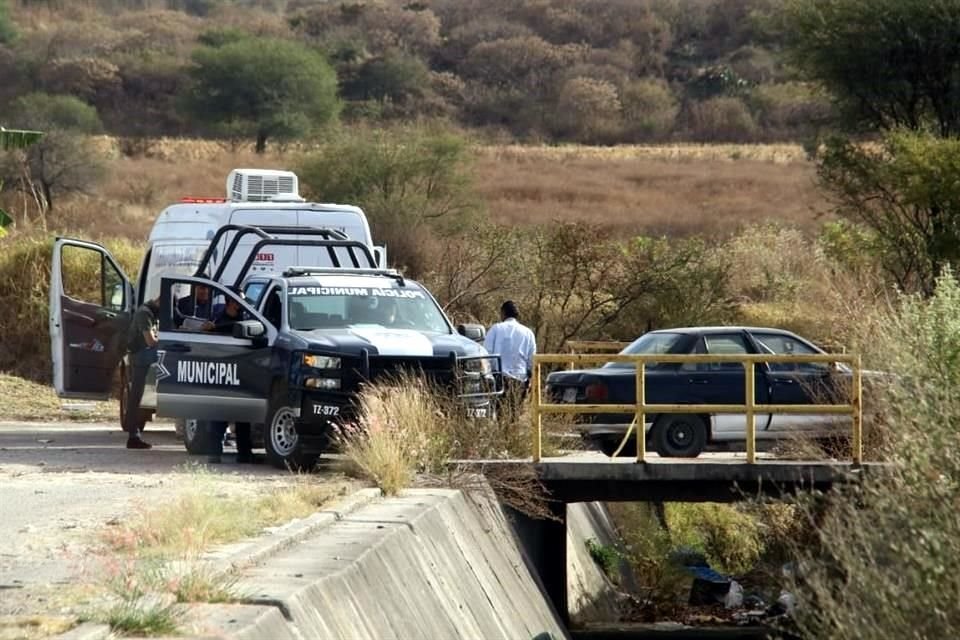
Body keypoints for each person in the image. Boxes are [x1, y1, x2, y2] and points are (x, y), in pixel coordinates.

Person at [204, 295, 254, 464]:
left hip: (241, 371)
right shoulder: (217, 318)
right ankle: (214, 453)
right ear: (230, 302)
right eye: (239, 301)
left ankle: (244, 454)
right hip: (221, 371)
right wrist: (208, 328)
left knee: (243, 416)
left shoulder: (246, 319)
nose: (242, 305)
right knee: (218, 414)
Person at [484, 300, 537, 422]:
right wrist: (529, 377)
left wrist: (489, 375)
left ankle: (503, 435)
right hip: (520, 379)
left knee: (499, 414)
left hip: (500, 378)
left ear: (503, 313)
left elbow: (487, 354)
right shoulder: (528, 333)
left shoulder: (496, 329)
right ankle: (511, 436)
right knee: (515, 414)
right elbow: (531, 359)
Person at [123, 298, 160, 449]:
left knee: (136, 397)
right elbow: (150, 341)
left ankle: (134, 434)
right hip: (140, 357)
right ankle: (133, 435)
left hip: (142, 357)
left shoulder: (148, 312)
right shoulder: (144, 314)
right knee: (136, 397)